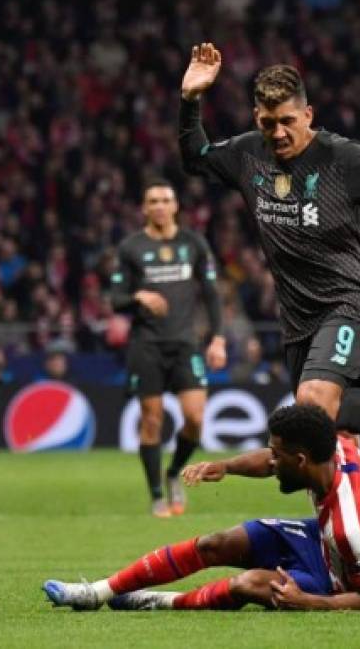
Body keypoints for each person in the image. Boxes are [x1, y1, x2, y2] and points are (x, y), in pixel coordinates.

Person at [178, 43, 360, 495]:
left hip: (353, 301)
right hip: (299, 319)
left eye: (287, 121)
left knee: (312, 403)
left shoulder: (345, 159)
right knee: (318, 432)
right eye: (267, 122)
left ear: (308, 115)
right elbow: (195, 158)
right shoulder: (247, 155)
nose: (277, 132)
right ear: (255, 117)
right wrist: (190, 101)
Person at [43, 404, 360, 612]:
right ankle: (98, 592)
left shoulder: (350, 523)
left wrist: (308, 601)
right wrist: (228, 467)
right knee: (214, 544)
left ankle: (163, 601)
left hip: (333, 579)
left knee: (247, 584)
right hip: (322, 543)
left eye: (277, 457)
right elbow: (271, 461)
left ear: (300, 459)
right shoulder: (332, 450)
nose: (271, 462)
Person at [110, 179, 227, 518]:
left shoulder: (193, 244)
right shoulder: (131, 248)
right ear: (144, 209)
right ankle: (157, 495)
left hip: (185, 344)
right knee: (151, 420)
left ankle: (174, 471)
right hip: (146, 345)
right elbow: (115, 299)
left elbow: (211, 294)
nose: (160, 206)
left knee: (195, 418)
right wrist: (138, 297)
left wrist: (217, 338)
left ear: (175, 206)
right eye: (153, 201)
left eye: (165, 200)